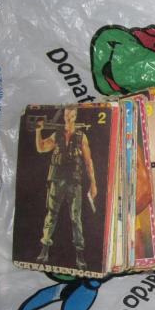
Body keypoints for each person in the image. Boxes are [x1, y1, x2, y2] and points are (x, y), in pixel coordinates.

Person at [35, 107, 97, 270]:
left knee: (76, 219)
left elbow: (89, 162)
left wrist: (93, 183)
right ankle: (44, 251)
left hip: (74, 181)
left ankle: (80, 255)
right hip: (57, 180)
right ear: (64, 116)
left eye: (72, 116)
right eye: (67, 115)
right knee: (51, 215)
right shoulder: (57, 135)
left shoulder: (81, 137)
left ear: (75, 116)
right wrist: (38, 131)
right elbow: (41, 148)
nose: (69, 119)